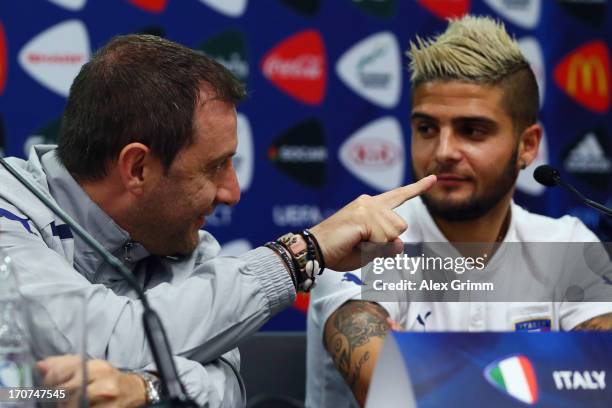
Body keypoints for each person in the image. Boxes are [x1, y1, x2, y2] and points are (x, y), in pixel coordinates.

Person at [0, 35, 436, 406]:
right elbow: (106, 343)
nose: (232, 191)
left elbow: (226, 388)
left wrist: (147, 389)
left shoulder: (183, 241)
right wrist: (297, 256)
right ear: (137, 168)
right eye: (215, 167)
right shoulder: (8, 215)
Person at [305, 15, 612, 408]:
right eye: (427, 128)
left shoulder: (565, 243)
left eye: (472, 130)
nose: (444, 151)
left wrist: (423, 362)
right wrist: (553, 369)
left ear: (528, 145)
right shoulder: (368, 241)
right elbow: (389, 389)